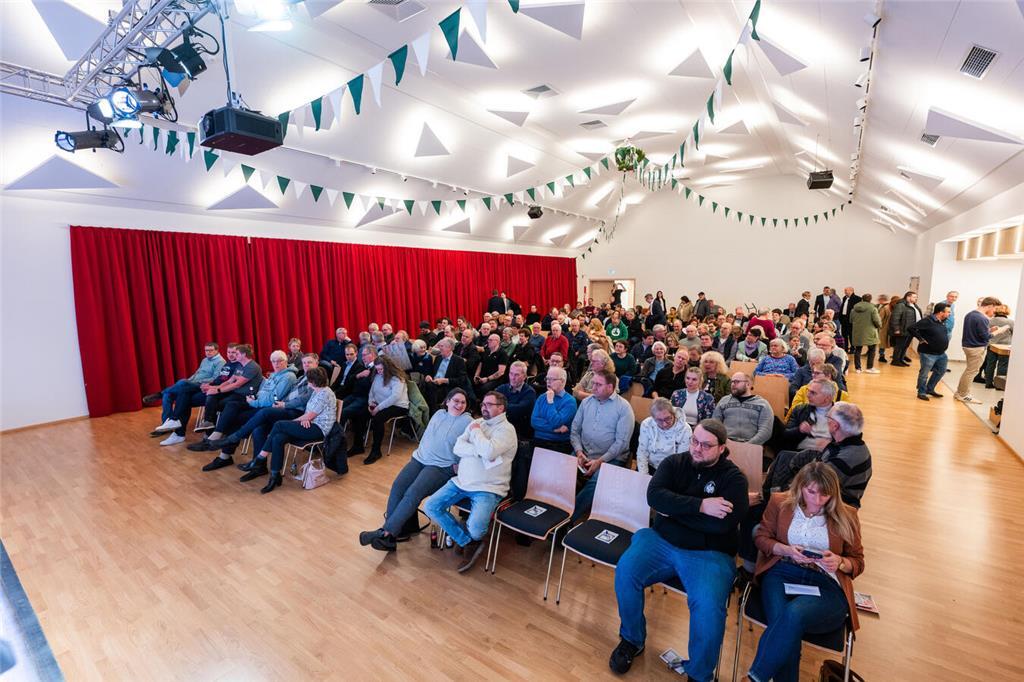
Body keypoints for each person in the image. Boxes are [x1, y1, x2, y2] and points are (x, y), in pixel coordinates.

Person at [609, 419, 748, 678]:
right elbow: (654, 497)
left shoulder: (734, 479)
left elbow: (723, 525)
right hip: (660, 540)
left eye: (706, 445)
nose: (697, 448)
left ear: (721, 448)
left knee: (708, 607)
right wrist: (701, 506)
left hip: (709, 554)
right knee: (625, 572)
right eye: (694, 441)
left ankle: (699, 673)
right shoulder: (674, 463)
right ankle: (632, 639)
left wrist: (673, 510)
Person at [746, 463, 864, 682]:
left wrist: (840, 562)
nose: (817, 500)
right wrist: (786, 550)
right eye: (811, 492)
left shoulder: (847, 514)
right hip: (782, 572)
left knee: (792, 615)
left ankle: (755, 677)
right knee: (786, 626)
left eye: (824, 495)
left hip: (826, 583)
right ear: (800, 486)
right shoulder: (779, 502)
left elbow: (857, 561)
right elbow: (761, 538)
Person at [360, 388, 473, 552]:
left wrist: (460, 465)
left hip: (441, 466)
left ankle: (386, 532)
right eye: (456, 401)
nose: (459, 405)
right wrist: (419, 454)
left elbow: (474, 446)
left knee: (412, 493)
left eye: (463, 402)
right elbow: (427, 437)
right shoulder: (439, 414)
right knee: (398, 487)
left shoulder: (468, 421)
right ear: (447, 401)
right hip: (420, 459)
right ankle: (390, 536)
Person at [423, 391, 518, 572]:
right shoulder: (477, 422)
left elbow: (489, 452)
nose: (484, 407)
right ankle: (467, 542)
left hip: (488, 488)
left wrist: (476, 435)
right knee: (431, 506)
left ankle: (468, 538)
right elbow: (458, 447)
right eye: (483, 404)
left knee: (476, 529)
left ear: (501, 408)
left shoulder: (506, 430)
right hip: (461, 481)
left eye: (489, 404)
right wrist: (478, 451)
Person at [208, 353, 319, 473]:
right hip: (282, 407)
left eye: (309, 362)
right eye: (304, 363)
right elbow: (283, 394)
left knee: (262, 412)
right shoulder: (302, 377)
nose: (306, 365)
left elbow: (303, 399)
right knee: (257, 428)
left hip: (297, 413)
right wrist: (265, 400)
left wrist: (282, 404)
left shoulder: (314, 378)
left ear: (317, 363)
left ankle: (233, 439)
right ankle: (258, 467)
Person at [570, 370, 634, 523]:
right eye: (593, 383)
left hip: (611, 458)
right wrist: (579, 451)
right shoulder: (586, 402)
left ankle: (569, 517)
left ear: (610, 387)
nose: (593, 387)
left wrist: (600, 461)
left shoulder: (624, 408)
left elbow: (621, 443)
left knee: (597, 483)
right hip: (584, 452)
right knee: (563, 471)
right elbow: (574, 430)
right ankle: (556, 507)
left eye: (598, 384)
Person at [188, 344, 264, 452]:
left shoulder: (252, 367)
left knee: (226, 405)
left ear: (243, 355)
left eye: (236, 353)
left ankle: (213, 437)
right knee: (214, 401)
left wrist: (218, 390)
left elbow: (236, 384)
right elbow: (229, 381)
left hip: (245, 397)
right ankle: (210, 433)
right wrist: (214, 388)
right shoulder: (240, 365)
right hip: (236, 394)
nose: (234, 355)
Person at [152, 342, 226, 436]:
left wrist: (195, 381)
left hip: (203, 385)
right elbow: (196, 374)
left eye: (210, 350)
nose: (208, 352)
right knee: (168, 395)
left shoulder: (220, 362)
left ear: (217, 350)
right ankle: (166, 425)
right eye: (206, 350)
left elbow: (215, 378)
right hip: (194, 383)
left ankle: (160, 394)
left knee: (182, 382)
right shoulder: (205, 360)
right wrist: (189, 381)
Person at [357, 355, 410, 465]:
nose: (379, 372)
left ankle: (376, 451)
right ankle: (358, 446)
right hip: (380, 404)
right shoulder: (377, 375)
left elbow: (395, 397)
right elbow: (372, 392)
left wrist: (378, 408)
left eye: (381, 369)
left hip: (398, 406)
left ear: (388, 367)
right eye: (377, 369)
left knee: (378, 419)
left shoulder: (397, 378)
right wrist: (371, 403)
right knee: (360, 413)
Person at [956, 297, 1002, 403]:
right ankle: (963, 394)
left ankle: (960, 393)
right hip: (976, 348)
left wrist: (990, 330)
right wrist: (999, 331)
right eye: (995, 309)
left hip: (969, 346)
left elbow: (977, 332)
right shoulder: (982, 318)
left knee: (969, 371)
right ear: (990, 306)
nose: (994, 311)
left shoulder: (970, 314)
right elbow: (986, 337)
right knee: (971, 372)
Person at [712, 373, 773, 445]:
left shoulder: (762, 404)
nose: (733, 384)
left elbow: (766, 431)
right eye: (732, 382)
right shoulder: (724, 401)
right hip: (726, 443)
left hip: (752, 445)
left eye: (737, 382)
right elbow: (715, 424)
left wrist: (748, 445)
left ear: (748, 384)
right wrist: (726, 441)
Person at [636, 398, 692, 475]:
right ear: (653, 418)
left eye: (667, 418)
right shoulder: (647, 425)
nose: (664, 424)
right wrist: (644, 475)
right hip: (650, 465)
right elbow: (642, 453)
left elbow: (680, 460)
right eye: (659, 420)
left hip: (671, 469)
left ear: (673, 414)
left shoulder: (685, 429)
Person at [908, 302, 951, 401]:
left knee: (941, 371)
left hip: (941, 353)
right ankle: (921, 392)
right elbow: (911, 328)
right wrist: (920, 339)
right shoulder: (927, 321)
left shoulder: (941, 321)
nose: (949, 314)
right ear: (941, 312)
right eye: (948, 312)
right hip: (928, 353)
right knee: (924, 373)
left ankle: (930, 389)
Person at [530, 367, 578, 454]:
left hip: (558, 443)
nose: (548, 382)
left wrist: (550, 402)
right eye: (547, 378)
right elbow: (534, 422)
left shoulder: (570, 401)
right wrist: (555, 430)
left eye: (552, 379)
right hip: (538, 440)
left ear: (562, 381)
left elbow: (556, 422)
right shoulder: (541, 397)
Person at [780, 378, 837, 451]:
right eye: (808, 391)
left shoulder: (840, 414)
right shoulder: (800, 410)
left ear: (827, 398)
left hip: (829, 454)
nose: (808, 395)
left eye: (813, 393)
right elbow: (785, 436)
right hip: (799, 453)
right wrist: (799, 430)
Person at [423, 338, 469, 412]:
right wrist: (428, 376)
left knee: (431, 391)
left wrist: (445, 380)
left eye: (442, 346)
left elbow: (462, 380)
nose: (439, 348)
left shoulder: (458, 361)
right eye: (439, 346)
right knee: (424, 384)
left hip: (447, 386)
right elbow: (431, 372)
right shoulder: (438, 358)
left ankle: (433, 413)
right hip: (433, 383)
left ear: (449, 348)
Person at [495, 361, 537, 439]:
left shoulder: (530, 392)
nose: (512, 378)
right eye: (511, 374)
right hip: (499, 427)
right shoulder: (502, 388)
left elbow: (519, 410)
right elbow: (491, 403)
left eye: (516, 375)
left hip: (519, 432)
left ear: (524, 376)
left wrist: (499, 407)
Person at [982, 304, 1013, 388]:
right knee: (1003, 365)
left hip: (992, 345)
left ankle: (988, 383)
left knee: (990, 364)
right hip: (1004, 347)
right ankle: (999, 385)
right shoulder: (1010, 322)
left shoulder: (990, 321)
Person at [848, 293, 881, 373]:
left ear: (862, 299)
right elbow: (876, 320)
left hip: (857, 332)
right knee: (872, 349)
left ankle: (858, 368)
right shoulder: (873, 308)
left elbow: (851, 320)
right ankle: (869, 367)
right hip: (870, 332)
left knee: (858, 349)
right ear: (870, 299)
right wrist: (879, 326)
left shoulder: (854, 309)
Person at [889, 291, 922, 366]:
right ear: (908, 297)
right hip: (903, 329)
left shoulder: (914, 305)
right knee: (899, 346)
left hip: (911, 330)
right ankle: (895, 361)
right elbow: (895, 317)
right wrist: (896, 329)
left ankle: (901, 360)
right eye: (914, 297)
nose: (916, 299)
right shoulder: (901, 305)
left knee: (905, 346)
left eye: (916, 297)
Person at [838, 287, 861, 351]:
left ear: (851, 291)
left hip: (851, 319)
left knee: (851, 335)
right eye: (845, 290)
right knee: (844, 334)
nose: (845, 292)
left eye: (846, 290)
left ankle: (852, 348)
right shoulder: (844, 298)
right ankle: (845, 347)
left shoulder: (857, 298)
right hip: (843, 318)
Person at [876, 295, 892, 363]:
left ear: (882, 300)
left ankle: (881, 356)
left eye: (879, 299)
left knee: (882, 343)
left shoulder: (884, 308)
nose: (878, 301)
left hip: (882, 328)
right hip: (886, 327)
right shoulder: (889, 306)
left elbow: (880, 319)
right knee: (883, 342)